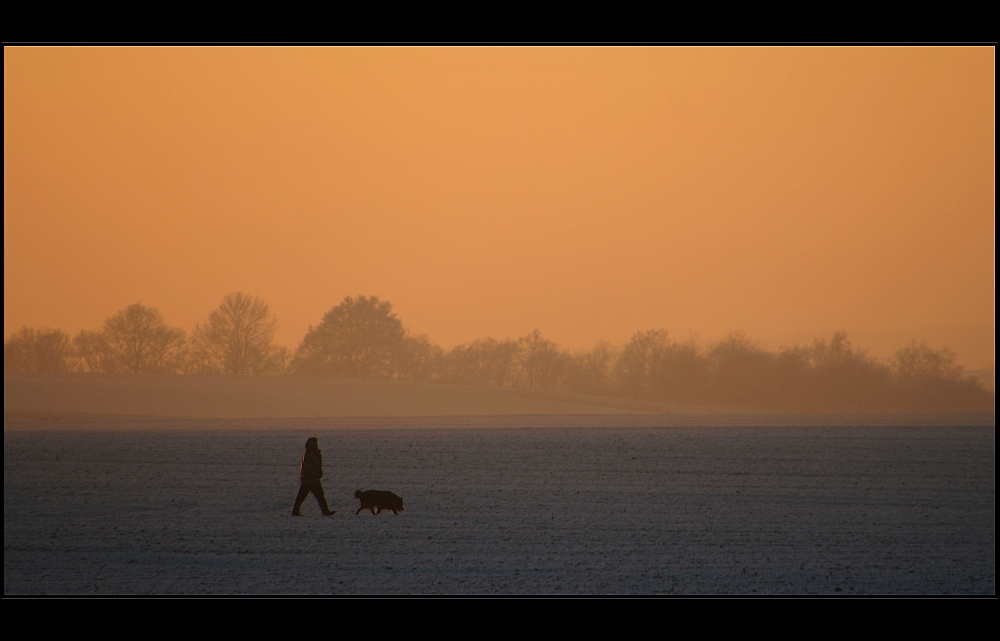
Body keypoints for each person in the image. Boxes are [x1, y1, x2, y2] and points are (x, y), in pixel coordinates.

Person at [292, 437, 335, 516]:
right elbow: (315, 465)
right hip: (312, 479)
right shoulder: (311, 453)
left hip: (309, 479)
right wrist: (317, 473)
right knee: (319, 496)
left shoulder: (309, 453)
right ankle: (325, 512)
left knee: (302, 496)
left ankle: (295, 511)